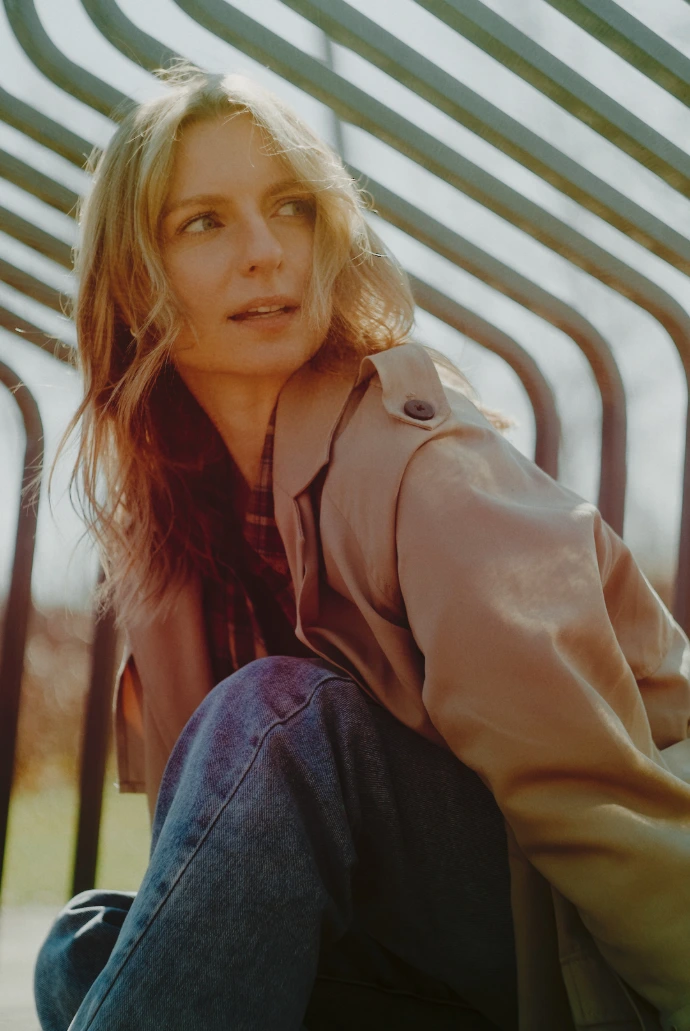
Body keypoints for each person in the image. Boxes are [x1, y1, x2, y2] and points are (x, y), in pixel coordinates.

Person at [33, 63, 690, 1031]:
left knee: (279, 713)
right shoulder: (170, 533)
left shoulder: (427, 467)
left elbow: (598, 798)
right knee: (86, 945)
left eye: (291, 207)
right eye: (205, 222)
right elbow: (207, 854)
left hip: (563, 930)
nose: (266, 253)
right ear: (131, 280)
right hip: (398, 950)